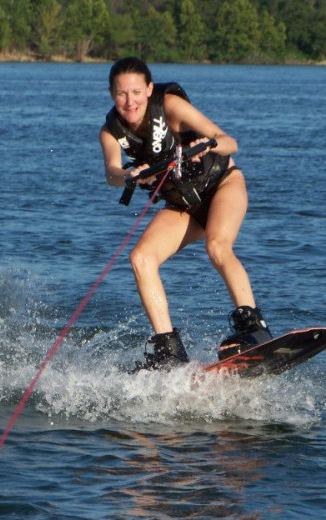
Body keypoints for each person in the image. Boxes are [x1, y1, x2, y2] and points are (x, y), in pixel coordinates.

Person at [99, 57, 272, 371]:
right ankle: (169, 348)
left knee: (217, 246)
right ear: (112, 94)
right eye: (122, 94)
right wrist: (129, 176)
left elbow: (231, 143)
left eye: (136, 92)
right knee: (141, 258)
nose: (130, 101)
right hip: (183, 206)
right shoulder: (111, 132)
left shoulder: (171, 106)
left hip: (222, 185)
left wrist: (210, 145)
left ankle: (253, 327)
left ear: (149, 90)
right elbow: (111, 171)